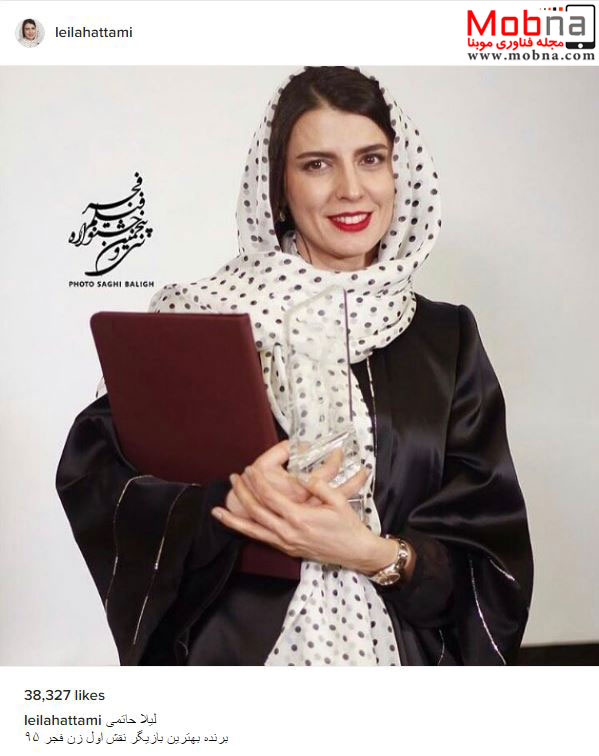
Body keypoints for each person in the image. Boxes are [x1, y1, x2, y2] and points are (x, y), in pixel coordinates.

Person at [56, 66, 533, 666]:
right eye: (317, 165)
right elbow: (103, 485)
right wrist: (229, 505)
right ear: (277, 186)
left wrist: (373, 553)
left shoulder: (444, 338)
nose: (351, 190)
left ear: (399, 171)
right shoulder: (202, 319)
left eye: (371, 159)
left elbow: (489, 551)